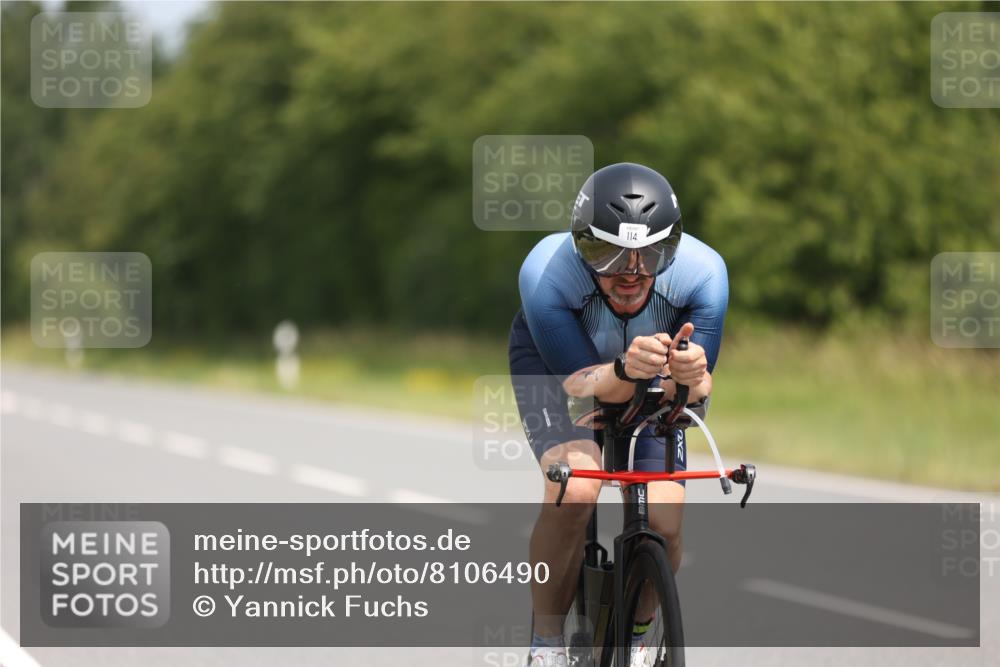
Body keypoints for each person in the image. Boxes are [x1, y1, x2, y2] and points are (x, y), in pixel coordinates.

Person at [508, 162, 729, 666]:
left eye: (651, 254)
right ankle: (545, 645)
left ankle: (637, 631)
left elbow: (693, 396)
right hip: (560, 368)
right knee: (577, 486)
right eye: (606, 254)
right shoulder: (545, 272)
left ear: (672, 247)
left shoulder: (705, 273)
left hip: (647, 370)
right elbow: (580, 386)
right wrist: (626, 369)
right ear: (580, 243)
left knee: (666, 522)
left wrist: (693, 375)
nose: (630, 272)